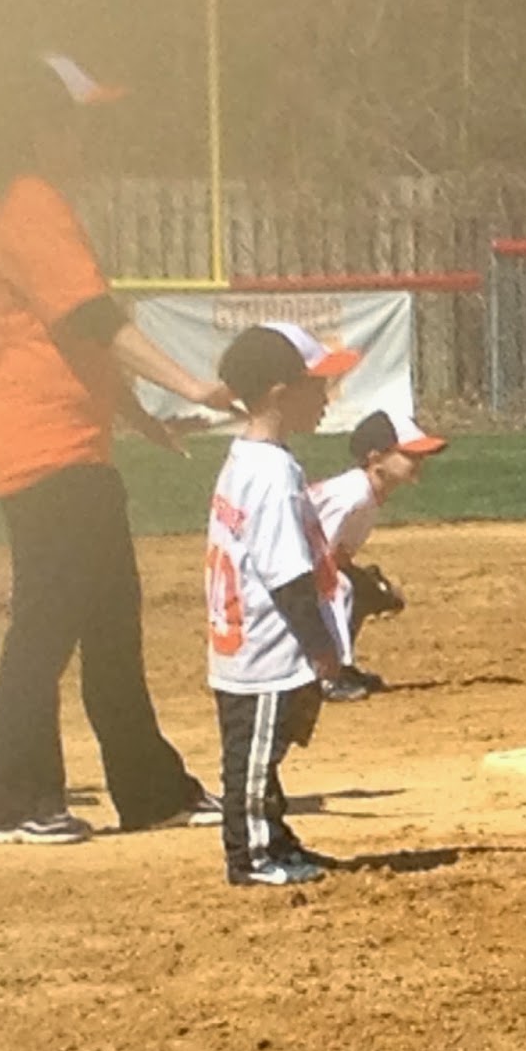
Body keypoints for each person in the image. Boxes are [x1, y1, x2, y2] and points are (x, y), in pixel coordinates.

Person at [0, 54, 236, 845]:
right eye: (75, 122)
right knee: (50, 620)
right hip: (43, 446)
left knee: (112, 620)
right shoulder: (28, 203)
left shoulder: (29, 203)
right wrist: (193, 385)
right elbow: (92, 321)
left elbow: (75, 343)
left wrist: (145, 419)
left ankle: (149, 788)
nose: (86, 138)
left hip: (71, 442)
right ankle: (14, 799)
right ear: (39, 129)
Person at [207, 323, 356, 886]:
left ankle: (274, 837)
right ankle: (250, 854)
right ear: (277, 393)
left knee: (261, 755)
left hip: (247, 641)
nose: (325, 396)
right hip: (262, 650)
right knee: (250, 760)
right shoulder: (270, 473)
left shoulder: (250, 459)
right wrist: (321, 647)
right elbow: (287, 575)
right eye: (314, 384)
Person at [308, 409, 446, 702]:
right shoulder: (352, 495)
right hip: (267, 580)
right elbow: (314, 560)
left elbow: (335, 555)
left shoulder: (369, 494)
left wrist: (363, 581)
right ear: (375, 459)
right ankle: (326, 676)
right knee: (339, 587)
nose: (419, 461)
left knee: (360, 587)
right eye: (409, 454)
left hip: (295, 570)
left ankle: (340, 667)